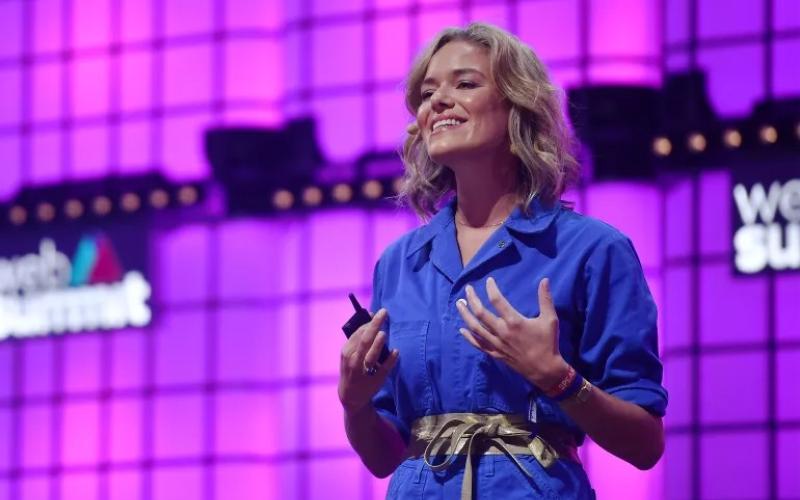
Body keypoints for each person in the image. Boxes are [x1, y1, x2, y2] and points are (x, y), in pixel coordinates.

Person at [338, 22, 667, 499]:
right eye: (428, 93)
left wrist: (558, 378)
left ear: (518, 106)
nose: (439, 101)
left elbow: (645, 443)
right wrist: (355, 405)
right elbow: (384, 457)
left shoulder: (593, 249)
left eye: (465, 84)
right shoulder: (399, 262)